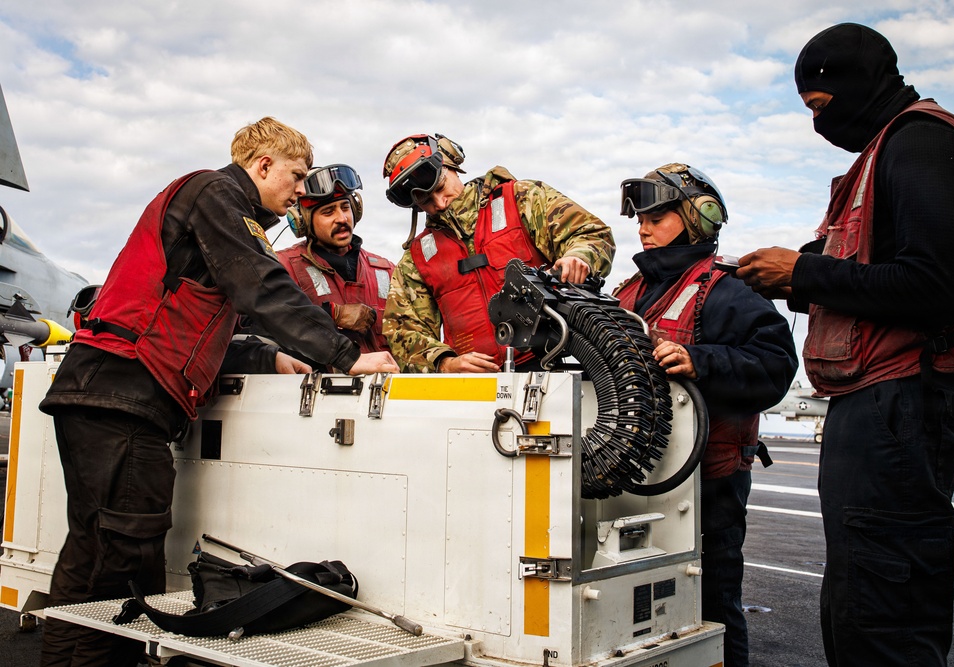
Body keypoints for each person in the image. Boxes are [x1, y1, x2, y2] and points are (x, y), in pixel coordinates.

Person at [37, 117, 399, 667]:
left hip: (104, 393)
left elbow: (199, 320)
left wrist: (268, 355)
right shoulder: (215, 193)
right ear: (262, 166)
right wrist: (348, 356)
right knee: (122, 561)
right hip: (123, 398)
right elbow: (258, 283)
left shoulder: (210, 211)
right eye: (297, 176)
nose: (302, 190)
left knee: (92, 551)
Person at [736, 24, 954, 666]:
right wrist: (792, 274)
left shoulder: (921, 142)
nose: (818, 125)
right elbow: (872, 275)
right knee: (858, 607)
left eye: (820, 108)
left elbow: (931, 286)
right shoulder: (881, 154)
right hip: (877, 403)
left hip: (901, 399)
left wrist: (802, 273)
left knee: (885, 619)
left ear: (854, 83)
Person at [613, 163, 797, 667]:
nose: (643, 227)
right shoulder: (628, 293)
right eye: (640, 218)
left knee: (711, 608)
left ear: (697, 218)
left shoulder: (729, 290)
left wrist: (702, 360)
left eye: (656, 215)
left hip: (709, 485)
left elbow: (777, 367)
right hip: (637, 480)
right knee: (638, 610)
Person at [381, 133, 615, 372]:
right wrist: (444, 363)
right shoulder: (416, 259)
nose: (440, 203)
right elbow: (403, 327)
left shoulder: (523, 199)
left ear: (451, 163)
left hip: (559, 368)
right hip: (475, 386)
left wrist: (578, 257)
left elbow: (591, 233)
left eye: (441, 188)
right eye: (426, 202)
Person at [279, 163, 395, 354]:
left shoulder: (387, 270)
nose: (342, 218)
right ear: (303, 222)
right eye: (328, 212)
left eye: (345, 207)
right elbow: (259, 323)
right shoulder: (284, 267)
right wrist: (331, 315)